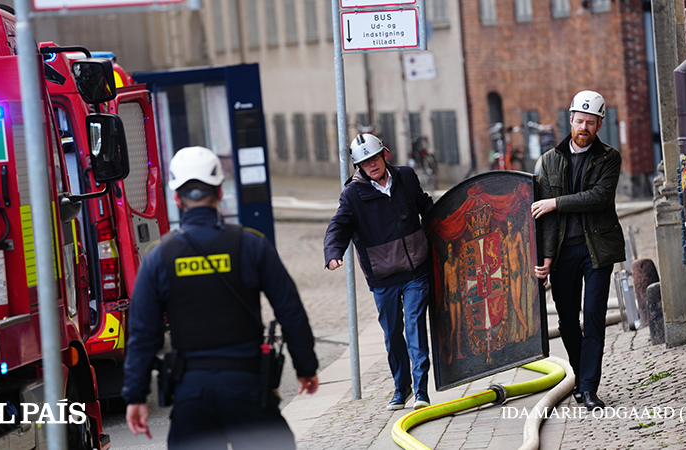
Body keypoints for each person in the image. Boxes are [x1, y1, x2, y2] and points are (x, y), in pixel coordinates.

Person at [122, 146, 319, 449]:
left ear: (176, 198)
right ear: (219, 191)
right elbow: (290, 310)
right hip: (248, 389)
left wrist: (136, 395)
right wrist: (305, 367)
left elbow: (142, 334)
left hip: (191, 395)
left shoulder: (159, 258)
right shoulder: (252, 246)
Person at [324, 133, 434, 411]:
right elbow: (339, 226)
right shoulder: (353, 194)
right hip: (383, 277)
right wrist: (333, 253)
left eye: (374, 158)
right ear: (358, 166)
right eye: (364, 161)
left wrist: (451, 228)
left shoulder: (407, 177)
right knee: (392, 334)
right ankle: (402, 388)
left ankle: (421, 391)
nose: (371, 165)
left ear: (384, 154)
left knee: (415, 328)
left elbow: (425, 206)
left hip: (416, 271)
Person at [530, 91, 625, 411]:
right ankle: (579, 374)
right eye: (579, 121)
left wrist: (555, 202)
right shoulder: (549, 160)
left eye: (591, 122)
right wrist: (545, 259)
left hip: (596, 248)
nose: (584, 127)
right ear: (570, 120)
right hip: (562, 253)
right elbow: (542, 219)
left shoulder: (609, 157)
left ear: (599, 125)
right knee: (568, 321)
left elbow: (599, 197)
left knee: (595, 317)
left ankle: (588, 388)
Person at [444, 242, 465, 363]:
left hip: (457, 294)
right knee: (453, 326)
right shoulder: (446, 265)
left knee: (459, 326)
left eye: (452, 248)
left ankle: (459, 352)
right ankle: (452, 353)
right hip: (451, 296)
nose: (451, 250)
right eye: (449, 248)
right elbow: (445, 283)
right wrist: (445, 301)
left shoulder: (456, 261)